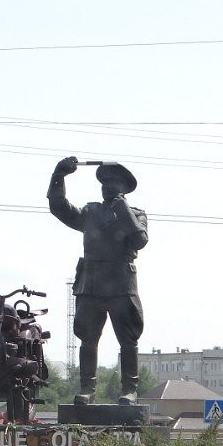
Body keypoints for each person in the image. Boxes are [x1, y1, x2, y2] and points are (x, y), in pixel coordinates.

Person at [47, 156, 148, 405]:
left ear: (123, 189)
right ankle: (87, 389)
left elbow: (139, 240)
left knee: (128, 340)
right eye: (104, 185)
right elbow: (60, 208)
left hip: (121, 286)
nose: (107, 188)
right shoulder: (90, 212)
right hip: (91, 284)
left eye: (113, 185)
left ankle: (129, 390)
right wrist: (58, 176)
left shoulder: (136, 215)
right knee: (88, 339)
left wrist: (121, 207)